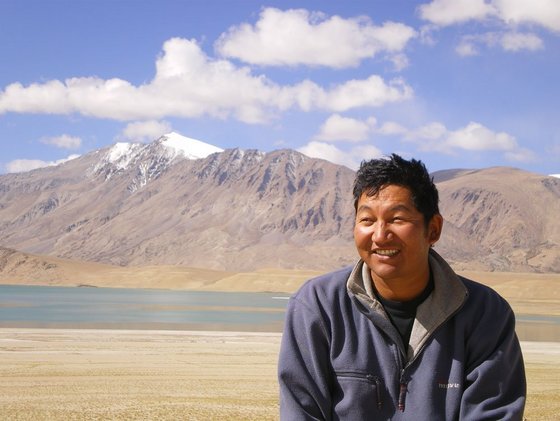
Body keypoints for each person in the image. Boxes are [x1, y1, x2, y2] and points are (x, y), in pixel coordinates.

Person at [278, 154, 526, 420]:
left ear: (433, 229)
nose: (380, 235)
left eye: (397, 219)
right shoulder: (318, 305)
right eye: (367, 220)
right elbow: (301, 412)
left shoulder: (486, 313)